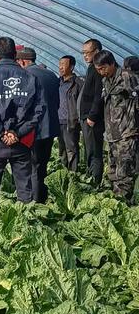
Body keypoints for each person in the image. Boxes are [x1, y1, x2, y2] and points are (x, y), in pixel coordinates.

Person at [0, 37, 44, 218]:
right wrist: (17, 133)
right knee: (24, 189)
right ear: (15, 54)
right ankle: (28, 227)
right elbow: (38, 111)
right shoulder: (31, 78)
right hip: (21, 142)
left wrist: (1, 133)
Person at [94, 50, 139, 203]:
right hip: (112, 133)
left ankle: (124, 206)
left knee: (124, 173)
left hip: (127, 133)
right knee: (113, 171)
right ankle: (115, 202)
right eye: (98, 70)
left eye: (103, 68)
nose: (101, 73)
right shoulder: (106, 80)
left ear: (112, 63)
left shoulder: (128, 77)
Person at [17, 47, 59, 203]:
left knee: (30, 167)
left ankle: (33, 203)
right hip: (50, 128)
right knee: (41, 166)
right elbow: (57, 102)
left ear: (22, 61)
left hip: (33, 129)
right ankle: (41, 197)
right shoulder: (51, 75)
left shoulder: (24, 75)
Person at [78, 39, 104, 185]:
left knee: (94, 150)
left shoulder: (98, 68)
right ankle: (91, 176)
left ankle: (95, 181)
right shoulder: (91, 68)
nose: (85, 56)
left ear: (97, 52)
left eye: (87, 52)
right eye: (83, 53)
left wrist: (92, 116)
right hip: (87, 117)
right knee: (89, 149)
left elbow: (98, 94)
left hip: (92, 118)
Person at [57, 55, 83, 172]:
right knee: (62, 150)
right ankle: (64, 173)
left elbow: (82, 103)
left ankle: (73, 173)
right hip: (59, 122)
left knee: (71, 149)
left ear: (71, 67)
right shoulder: (57, 83)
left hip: (71, 122)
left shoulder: (78, 84)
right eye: (59, 64)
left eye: (63, 64)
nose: (60, 67)